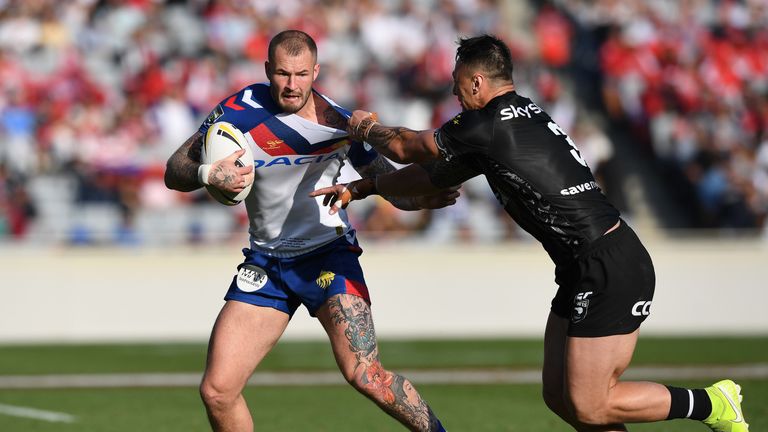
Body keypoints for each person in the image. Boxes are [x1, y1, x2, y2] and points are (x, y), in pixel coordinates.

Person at [311, 35, 748, 432]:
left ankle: (710, 402)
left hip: (607, 263)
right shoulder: (512, 120)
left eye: (458, 83)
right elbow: (429, 175)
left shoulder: (489, 125)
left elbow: (407, 146)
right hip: (584, 265)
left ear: (478, 82)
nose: (454, 93)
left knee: (592, 404)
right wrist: (362, 187)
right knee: (560, 396)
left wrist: (361, 126)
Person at [164, 30, 455, 432]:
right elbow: (173, 172)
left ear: (315, 71)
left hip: (327, 256)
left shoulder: (339, 124)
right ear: (268, 70)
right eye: (282, 73)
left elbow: (390, 185)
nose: (291, 84)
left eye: (301, 74)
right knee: (217, 390)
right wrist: (207, 172)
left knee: (365, 375)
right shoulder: (237, 112)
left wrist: (423, 197)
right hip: (267, 264)